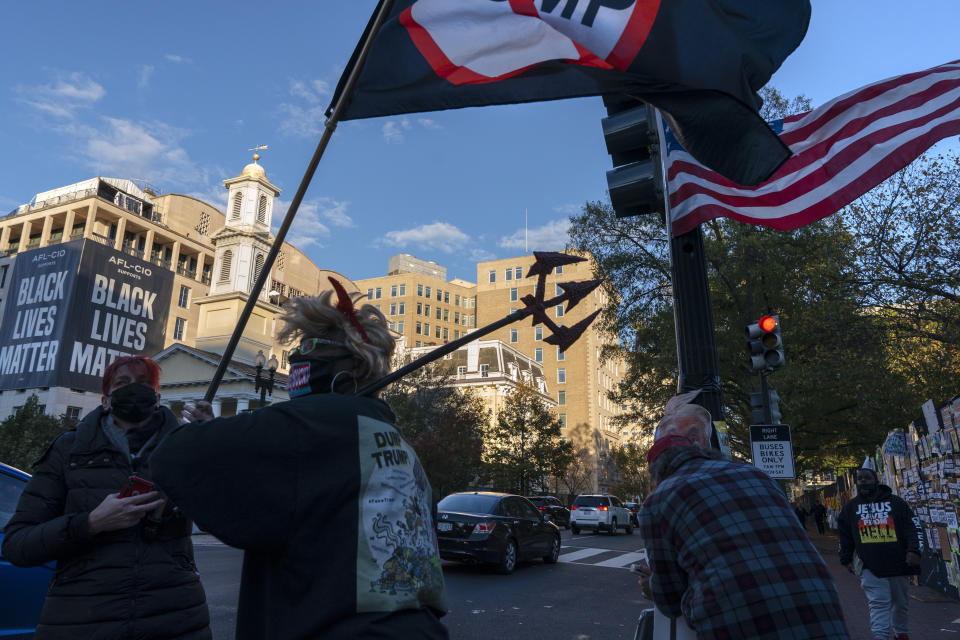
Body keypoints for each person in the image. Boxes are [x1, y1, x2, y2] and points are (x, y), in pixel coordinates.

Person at [151, 279, 448, 640]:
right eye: (295, 357)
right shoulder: (392, 440)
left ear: (352, 368)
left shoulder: (314, 420)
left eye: (309, 356)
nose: (296, 366)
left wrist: (207, 436)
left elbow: (174, 454)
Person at [2, 356, 211, 639]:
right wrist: (90, 523)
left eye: (143, 384)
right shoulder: (69, 450)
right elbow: (17, 544)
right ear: (105, 400)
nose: (133, 390)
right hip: (82, 621)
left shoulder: (184, 448)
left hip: (174, 619)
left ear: (157, 397)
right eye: (122, 384)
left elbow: (229, 516)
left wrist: (214, 444)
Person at [635, 390, 849, 639]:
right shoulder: (758, 475)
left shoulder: (658, 502)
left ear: (656, 470)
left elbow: (669, 600)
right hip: (823, 615)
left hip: (745, 625)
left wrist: (652, 586)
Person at [838, 467, 922, 640]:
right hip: (869, 565)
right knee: (879, 603)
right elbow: (845, 535)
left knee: (900, 604)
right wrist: (846, 558)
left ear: (876, 481)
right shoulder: (851, 508)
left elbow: (910, 528)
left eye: (867, 478)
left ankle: (901, 635)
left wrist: (913, 550)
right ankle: (881, 636)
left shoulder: (896, 503)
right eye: (859, 479)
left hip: (899, 564)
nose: (863, 481)